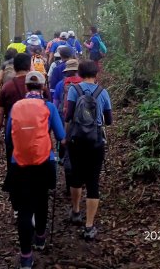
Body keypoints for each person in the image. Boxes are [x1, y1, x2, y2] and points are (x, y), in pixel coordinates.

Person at [6, 71, 65, 268]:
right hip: (43, 162)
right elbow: (61, 135)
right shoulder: (48, 106)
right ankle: (40, 237)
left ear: (26, 88)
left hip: (18, 164)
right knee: (41, 199)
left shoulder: (15, 107)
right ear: (42, 87)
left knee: (24, 209)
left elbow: (8, 137)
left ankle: (25, 257)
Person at [65, 60, 112, 241]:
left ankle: (76, 212)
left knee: (76, 176)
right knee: (93, 181)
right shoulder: (103, 92)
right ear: (96, 74)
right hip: (95, 141)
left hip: (76, 140)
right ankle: (89, 225)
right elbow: (108, 120)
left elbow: (68, 116)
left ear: (80, 73)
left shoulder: (73, 90)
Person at [0, 53, 32, 164]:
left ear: (14, 68)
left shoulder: (7, 87)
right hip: (34, 127)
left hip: (12, 129)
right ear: (29, 67)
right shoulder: (38, 86)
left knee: (13, 159)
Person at [53, 58, 82, 195]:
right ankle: (81, 183)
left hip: (66, 123)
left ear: (66, 71)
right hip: (83, 124)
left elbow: (55, 103)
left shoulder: (60, 84)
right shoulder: (84, 84)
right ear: (77, 71)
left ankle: (69, 186)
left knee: (68, 154)